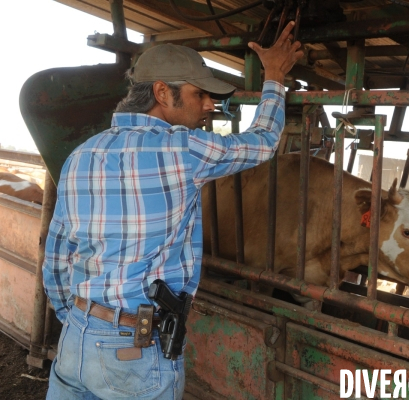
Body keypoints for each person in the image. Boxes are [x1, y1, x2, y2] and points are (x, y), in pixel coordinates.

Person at [43, 21, 303, 400]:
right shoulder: (184, 150)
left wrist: (79, 320)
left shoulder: (82, 154)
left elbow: (56, 257)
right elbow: (263, 142)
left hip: (75, 340)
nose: (210, 106)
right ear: (162, 93)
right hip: (135, 350)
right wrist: (275, 76)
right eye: (200, 95)